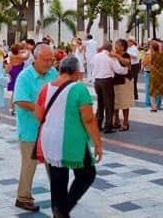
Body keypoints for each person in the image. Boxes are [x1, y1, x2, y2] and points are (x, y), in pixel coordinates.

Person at [34, 56, 102, 218]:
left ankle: (59, 210)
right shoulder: (79, 89)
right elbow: (89, 119)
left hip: (49, 138)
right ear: (76, 72)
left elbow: (38, 114)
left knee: (58, 179)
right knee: (87, 174)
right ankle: (64, 209)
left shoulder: (46, 87)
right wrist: (97, 144)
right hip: (71, 140)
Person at [12, 43, 59, 212]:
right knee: (29, 164)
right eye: (45, 60)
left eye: (51, 60)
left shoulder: (53, 73)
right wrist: (40, 108)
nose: (49, 63)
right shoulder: (25, 77)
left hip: (50, 128)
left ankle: (59, 194)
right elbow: (19, 100)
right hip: (30, 129)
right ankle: (23, 198)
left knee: (53, 163)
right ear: (36, 58)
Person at [89, 43, 128, 134]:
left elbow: (91, 64)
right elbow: (118, 70)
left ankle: (98, 125)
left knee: (100, 104)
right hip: (106, 81)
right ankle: (108, 127)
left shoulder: (96, 56)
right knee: (109, 104)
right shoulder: (110, 57)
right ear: (110, 49)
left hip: (97, 81)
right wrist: (126, 69)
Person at [111, 39, 133, 131]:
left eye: (117, 45)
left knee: (124, 103)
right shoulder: (113, 55)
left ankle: (125, 122)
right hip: (115, 81)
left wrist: (117, 56)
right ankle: (116, 121)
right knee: (115, 103)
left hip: (125, 81)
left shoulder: (126, 55)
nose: (115, 47)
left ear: (122, 47)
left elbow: (127, 63)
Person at [7, 43, 28, 115]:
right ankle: (14, 108)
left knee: (14, 91)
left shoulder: (12, 55)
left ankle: (12, 107)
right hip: (18, 72)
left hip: (12, 71)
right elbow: (26, 56)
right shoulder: (19, 57)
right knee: (16, 91)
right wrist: (27, 49)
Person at [148, 41, 163, 111]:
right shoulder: (162, 54)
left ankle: (154, 107)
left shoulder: (152, 54)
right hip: (162, 74)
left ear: (152, 48)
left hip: (155, 74)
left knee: (152, 90)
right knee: (162, 90)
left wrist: (152, 67)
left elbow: (148, 63)